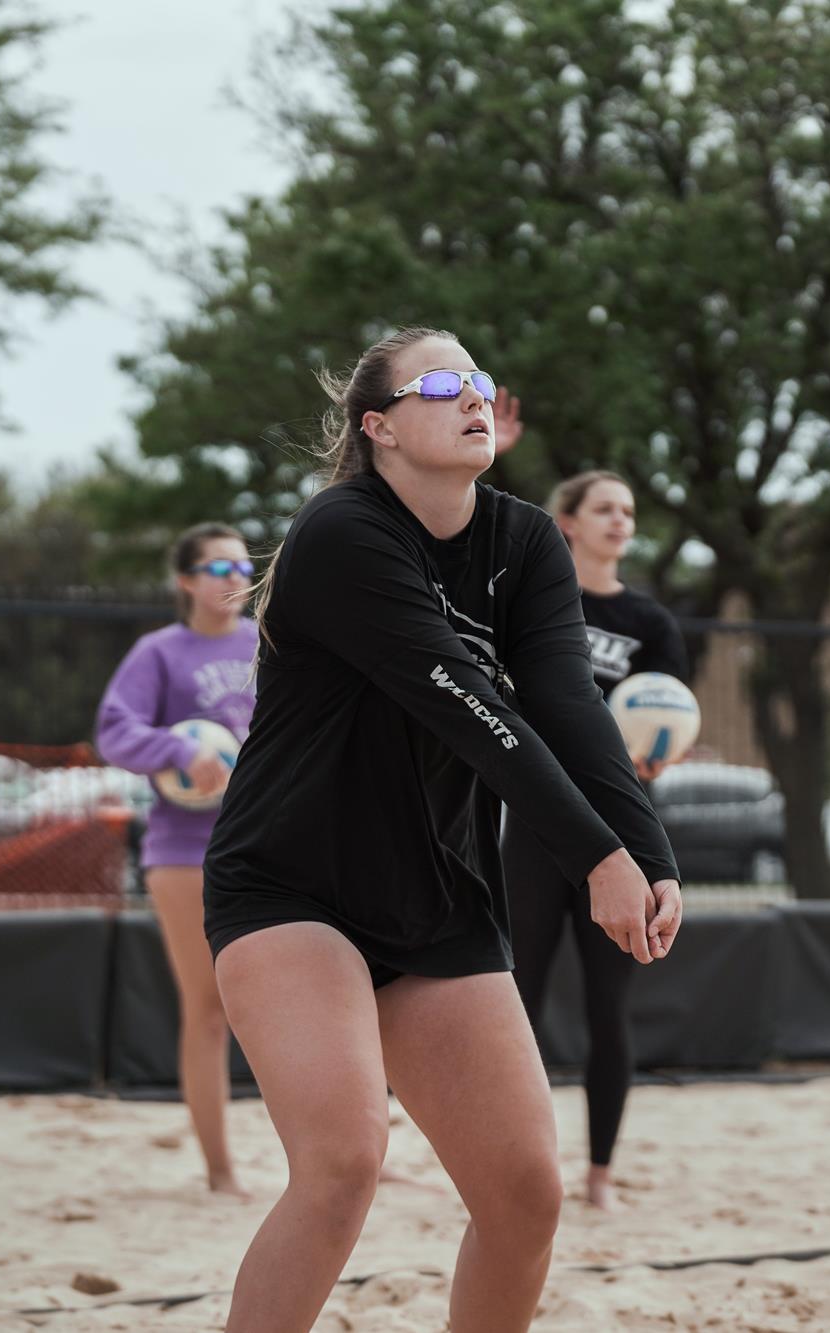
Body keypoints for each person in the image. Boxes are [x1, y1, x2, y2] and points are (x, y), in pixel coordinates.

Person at [201, 328, 683, 1332]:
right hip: (291, 887)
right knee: (341, 1165)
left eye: (478, 380)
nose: (472, 396)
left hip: (436, 892)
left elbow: (569, 706)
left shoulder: (523, 540)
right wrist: (593, 856)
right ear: (378, 426)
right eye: (441, 382)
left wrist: (644, 850)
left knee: (524, 1194)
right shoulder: (341, 530)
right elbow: (464, 701)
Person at [504, 470, 689, 1210]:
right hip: (538, 824)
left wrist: (658, 752)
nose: (620, 521)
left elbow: (672, 716)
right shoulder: (537, 600)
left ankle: (601, 1174)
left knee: (608, 1008)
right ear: (569, 522)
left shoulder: (651, 622)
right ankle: (521, 1164)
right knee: (517, 1002)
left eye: (629, 511)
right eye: (605, 508)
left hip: (621, 825)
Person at [95, 523, 258, 1196]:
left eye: (243, 565)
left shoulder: (271, 644)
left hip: (270, 844)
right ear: (186, 580)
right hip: (186, 850)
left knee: (310, 1005)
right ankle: (220, 1172)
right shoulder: (159, 652)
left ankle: (346, 1157)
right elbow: (114, 731)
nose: (234, 576)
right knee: (209, 1010)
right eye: (218, 566)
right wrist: (178, 750)